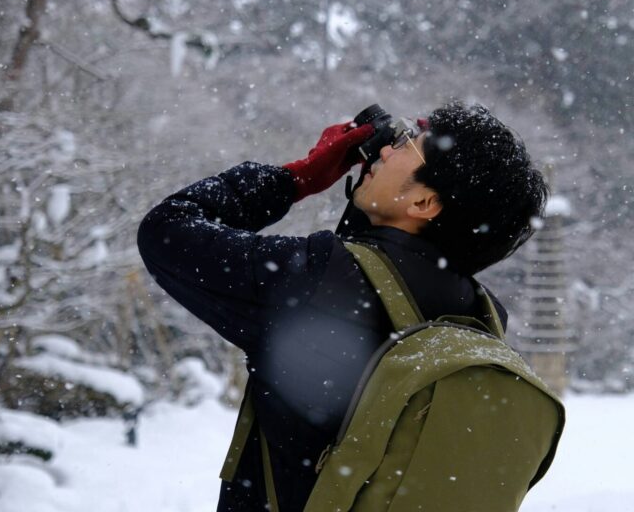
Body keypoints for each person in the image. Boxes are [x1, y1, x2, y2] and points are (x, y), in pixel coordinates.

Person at [136, 101, 548, 511]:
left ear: (423, 203)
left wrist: (295, 178)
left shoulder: (317, 278)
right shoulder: (484, 317)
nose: (386, 149)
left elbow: (166, 230)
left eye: (406, 144)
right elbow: (371, 277)